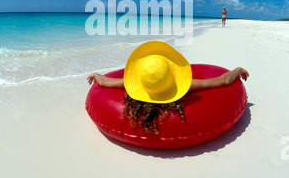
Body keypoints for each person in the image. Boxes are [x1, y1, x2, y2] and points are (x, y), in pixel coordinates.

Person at [87, 41, 249, 134]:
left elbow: (104, 82)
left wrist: (96, 74)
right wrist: (237, 70)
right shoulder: (185, 87)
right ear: (172, 74)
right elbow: (223, 81)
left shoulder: (131, 85)